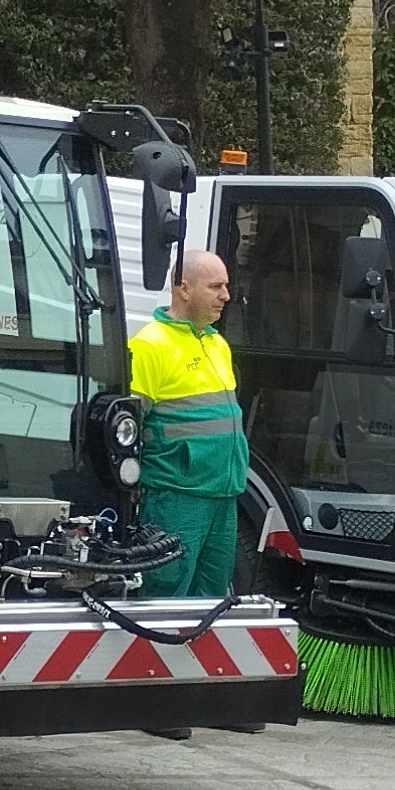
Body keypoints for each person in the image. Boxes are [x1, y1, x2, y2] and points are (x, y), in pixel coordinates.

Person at [131, 247, 249, 602]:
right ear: (183, 289)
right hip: (177, 496)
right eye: (215, 287)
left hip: (222, 494)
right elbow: (127, 431)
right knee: (166, 594)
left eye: (226, 286)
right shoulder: (149, 346)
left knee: (211, 598)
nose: (226, 296)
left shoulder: (217, 343)